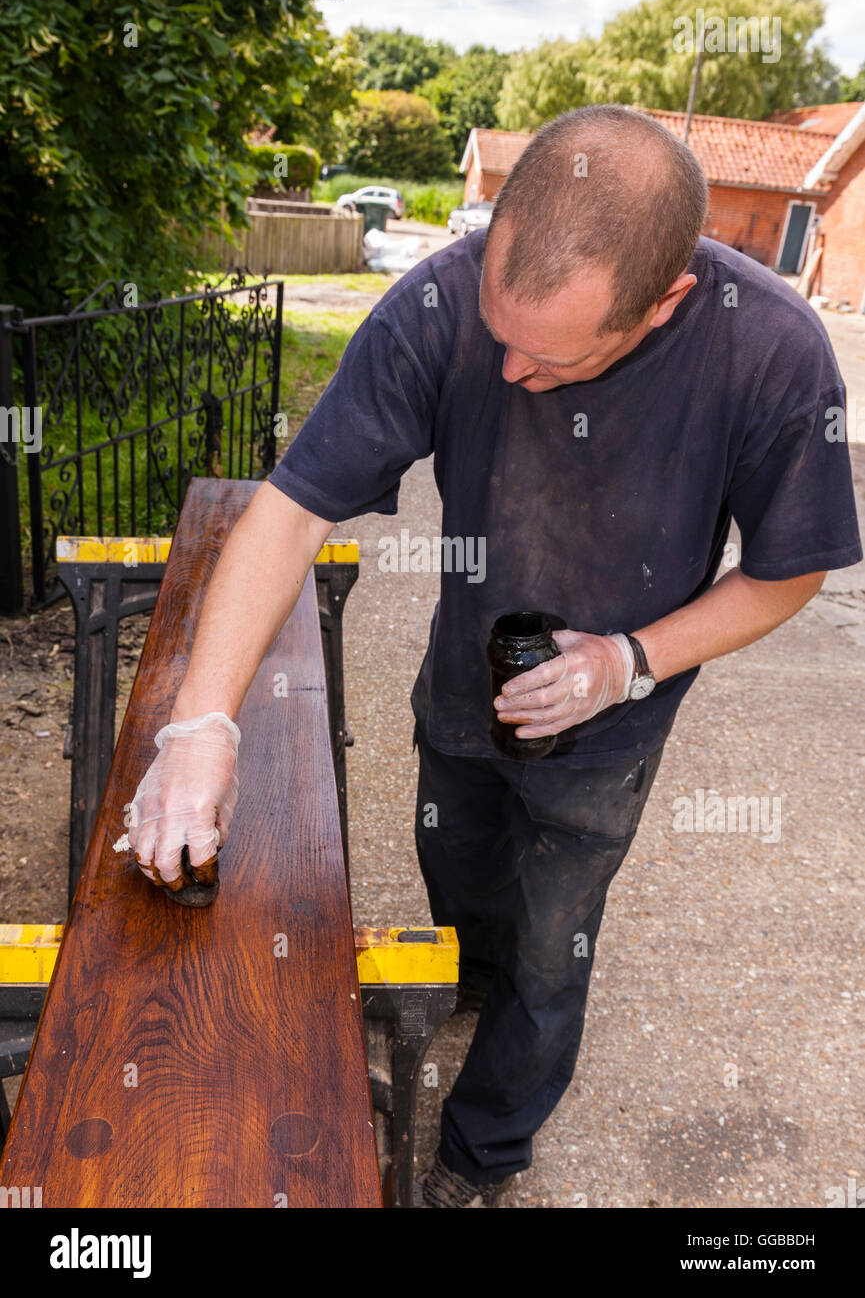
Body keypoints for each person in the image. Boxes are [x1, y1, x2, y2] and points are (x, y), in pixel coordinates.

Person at [125, 105, 862, 1208]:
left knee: (553, 939)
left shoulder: (773, 349)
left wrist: (628, 660)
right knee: (459, 864)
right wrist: (199, 726)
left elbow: (790, 569)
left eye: (549, 355)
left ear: (662, 303)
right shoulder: (438, 300)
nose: (508, 368)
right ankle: (468, 968)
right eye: (497, 330)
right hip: (462, 682)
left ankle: (483, 1151)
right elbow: (286, 512)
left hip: (613, 720)